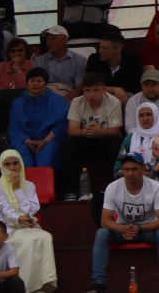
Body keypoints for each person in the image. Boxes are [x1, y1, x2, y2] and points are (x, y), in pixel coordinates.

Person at [89, 153, 159, 293]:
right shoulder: (113, 187)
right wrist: (123, 229)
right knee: (102, 233)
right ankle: (98, 283)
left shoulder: (155, 187)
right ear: (122, 171)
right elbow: (105, 220)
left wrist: (140, 228)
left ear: (143, 170)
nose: (130, 173)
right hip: (122, 230)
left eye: (134, 169)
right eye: (126, 170)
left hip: (147, 229)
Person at [0, 150, 58, 293]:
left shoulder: (29, 185)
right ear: (2, 166)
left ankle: (41, 285)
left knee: (45, 237)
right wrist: (19, 217)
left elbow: (33, 207)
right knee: (27, 241)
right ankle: (24, 288)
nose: (13, 167)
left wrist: (18, 189)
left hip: (27, 225)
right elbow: (4, 209)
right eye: (7, 164)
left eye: (15, 163)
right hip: (6, 229)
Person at [61, 71, 124, 200]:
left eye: (96, 90)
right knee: (69, 143)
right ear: (83, 90)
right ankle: (71, 190)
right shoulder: (77, 102)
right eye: (87, 90)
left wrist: (101, 132)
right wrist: (83, 132)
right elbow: (72, 129)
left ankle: (113, 187)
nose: (91, 95)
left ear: (104, 89)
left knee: (115, 142)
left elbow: (115, 131)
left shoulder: (113, 102)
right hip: (85, 139)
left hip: (104, 140)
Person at [9, 68, 68, 169]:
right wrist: (27, 141)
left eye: (39, 81)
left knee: (44, 163)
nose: (35, 84)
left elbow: (62, 124)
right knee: (23, 160)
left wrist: (45, 141)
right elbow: (15, 127)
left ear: (45, 83)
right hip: (25, 141)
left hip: (49, 140)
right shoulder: (18, 103)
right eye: (32, 81)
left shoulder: (57, 100)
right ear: (27, 83)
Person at [0, 39, 35, 134]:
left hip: (26, 103)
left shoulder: (32, 67)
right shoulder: (1, 67)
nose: (16, 53)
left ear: (26, 52)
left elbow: (29, 89)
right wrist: (17, 93)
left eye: (20, 50)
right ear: (8, 53)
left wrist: (18, 72)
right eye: (13, 51)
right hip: (4, 104)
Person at [85, 30, 143, 101]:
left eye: (104, 48)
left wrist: (118, 91)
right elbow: (88, 84)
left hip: (124, 97)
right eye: (100, 47)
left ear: (117, 49)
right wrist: (112, 89)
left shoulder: (132, 60)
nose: (100, 51)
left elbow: (135, 87)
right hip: (99, 96)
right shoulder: (94, 59)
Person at [31, 25, 85, 97]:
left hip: (70, 97)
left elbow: (79, 88)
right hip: (45, 97)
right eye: (47, 39)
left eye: (53, 39)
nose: (49, 42)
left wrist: (62, 102)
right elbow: (35, 86)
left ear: (65, 40)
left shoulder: (79, 60)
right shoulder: (39, 61)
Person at [124, 100, 159, 173]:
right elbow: (118, 164)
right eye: (141, 115)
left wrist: (151, 173)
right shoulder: (130, 138)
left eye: (149, 114)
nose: (145, 118)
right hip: (133, 178)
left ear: (156, 115)